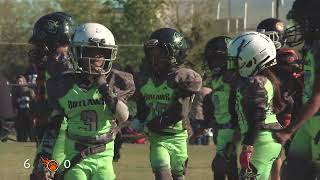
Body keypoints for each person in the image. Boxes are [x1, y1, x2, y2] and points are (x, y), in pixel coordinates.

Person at [34, 22, 135, 180]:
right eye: (90, 51)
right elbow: (55, 127)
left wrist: (103, 86)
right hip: (74, 152)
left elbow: (123, 116)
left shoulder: (115, 81)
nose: (95, 58)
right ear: (76, 52)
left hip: (102, 153)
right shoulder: (64, 83)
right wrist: (46, 160)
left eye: (101, 53)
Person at [136, 28, 202, 180]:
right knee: (162, 174)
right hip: (157, 137)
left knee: (178, 176)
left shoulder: (182, 77)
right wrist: (138, 120)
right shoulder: (146, 79)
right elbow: (143, 107)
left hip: (178, 136)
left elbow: (179, 112)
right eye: (151, 53)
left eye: (159, 53)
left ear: (174, 53)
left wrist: (150, 124)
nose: (154, 58)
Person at [273, 0, 320, 179]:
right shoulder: (311, 47)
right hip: (310, 120)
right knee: (293, 171)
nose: (297, 27)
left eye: (301, 22)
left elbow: (318, 96)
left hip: (317, 118)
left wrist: (288, 130)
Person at [228, 31, 284, 180]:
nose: (232, 64)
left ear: (252, 59)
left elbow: (257, 116)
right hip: (264, 138)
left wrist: (248, 143)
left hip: (261, 140)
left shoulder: (255, 83)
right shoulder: (263, 80)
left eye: (236, 60)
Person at [29, 12, 76, 179]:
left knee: (45, 173)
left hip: (60, 129)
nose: (38, 49)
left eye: (41, 44)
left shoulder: (63, 63)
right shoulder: (52, 63)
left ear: (53, 41)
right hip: (52, 129)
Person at [256, 18, 304, 180]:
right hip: (275, 109)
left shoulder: (286, 55)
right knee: (274, 154)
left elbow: (290, 64)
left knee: (290, 155)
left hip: (288, 111)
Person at [197, 36, 239, 180]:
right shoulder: (218, 79)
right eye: (211, 59)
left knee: (223, 168)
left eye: (217, 59)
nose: (212, 63)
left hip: (234, 131)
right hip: (222, 131)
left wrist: (235, 137)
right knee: (225, 169)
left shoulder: (234, 79)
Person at [12, 75, 36, 142]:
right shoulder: (16, 93)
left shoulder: (30, 91)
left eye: (20, 81)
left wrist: (34, 116)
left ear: (24, 82)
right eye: (18, 82)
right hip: (20, 116)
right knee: (21, 137)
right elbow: (14, 105)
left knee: (32, 136)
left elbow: (34, 103)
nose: (19, 83)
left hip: (29, 115)